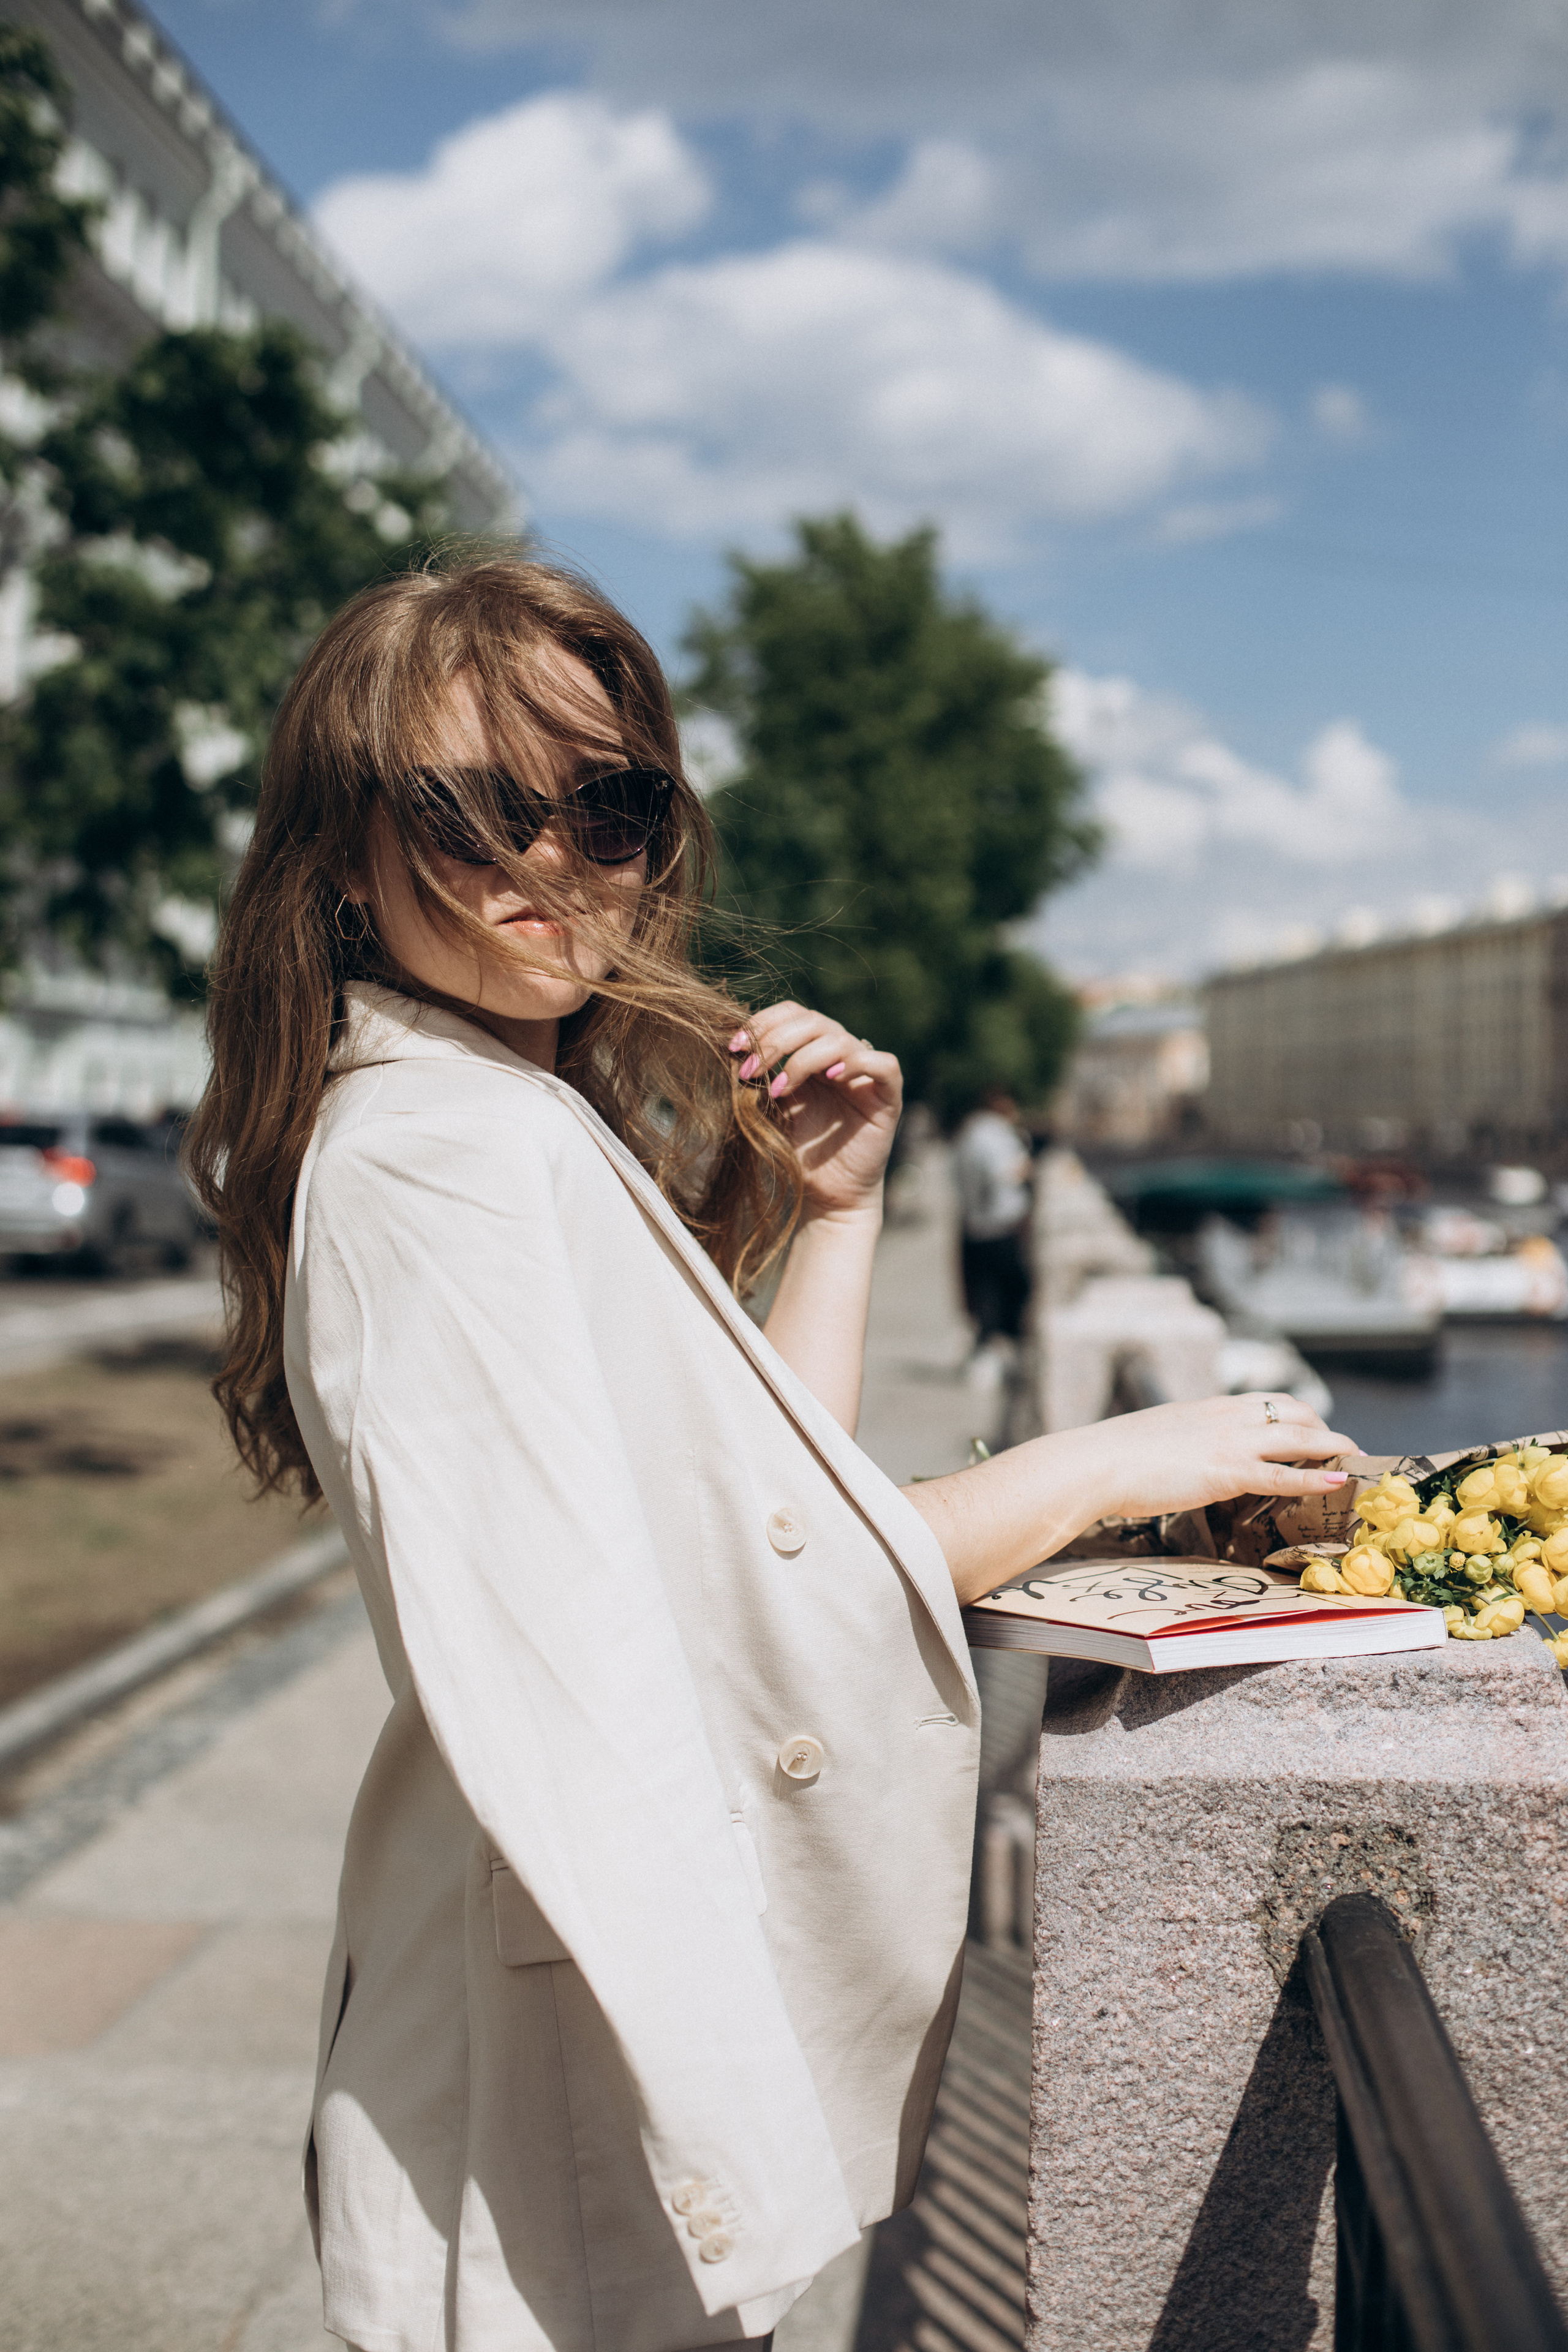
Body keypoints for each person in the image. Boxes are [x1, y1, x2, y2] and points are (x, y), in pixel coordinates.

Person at [185, 553, 1355, 2352]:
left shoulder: (486, 1112)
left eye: (610, 805)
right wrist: (1118, 1457)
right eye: (474, 809)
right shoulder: (446, 1159)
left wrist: (830, 1208)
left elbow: (767, 1523)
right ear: (344, 850)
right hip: (547, 2072)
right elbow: (723, 1620)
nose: (549, 861)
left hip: (536, 2029)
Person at [952, 1088, 1035, 1374]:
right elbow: (1003, 1173)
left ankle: (986, 1349)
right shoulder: (994, 1134)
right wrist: (1027, 1168)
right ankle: (997, 1353)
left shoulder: (967, 1134)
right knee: (1009, 1291)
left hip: (975, 1225)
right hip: (999, 1225)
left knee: (983, 1291)